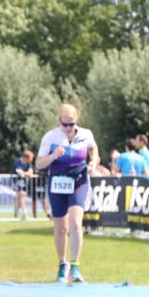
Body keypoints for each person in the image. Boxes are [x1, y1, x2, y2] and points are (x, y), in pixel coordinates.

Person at [36, 104, 100, 284]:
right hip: (57, 182)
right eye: (65, 125)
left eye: (71, 124)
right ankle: (62, 264)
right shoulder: (50, 137)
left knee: (75, 224)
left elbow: (93, 149)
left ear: (76, 121)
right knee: (61, 228)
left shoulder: (86, 134)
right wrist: (53, 156)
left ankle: (76, 267)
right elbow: (39, 164)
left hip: (79, 180)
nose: (68, 128)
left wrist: (93, 162)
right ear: (59, 121)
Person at [12, 150, 35, 220]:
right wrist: (26, 173)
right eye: (31, 158)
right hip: (16, 182)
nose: (31, 160)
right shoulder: (17, 162)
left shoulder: (29, 163)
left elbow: (31, 172)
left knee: (20, 198)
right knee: (22, 196)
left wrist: (26, 173)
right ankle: (25, 214)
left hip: (24, 182)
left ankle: (16, 211)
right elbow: (19, 172)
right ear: (26, 157)